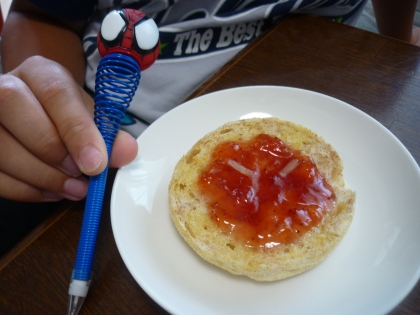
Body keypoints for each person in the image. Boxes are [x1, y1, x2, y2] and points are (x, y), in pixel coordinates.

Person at [0, 0, 418, 254]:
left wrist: (396, 40)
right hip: (108, 125)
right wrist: (53, 109)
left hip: (327, 81)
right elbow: (40, 14)